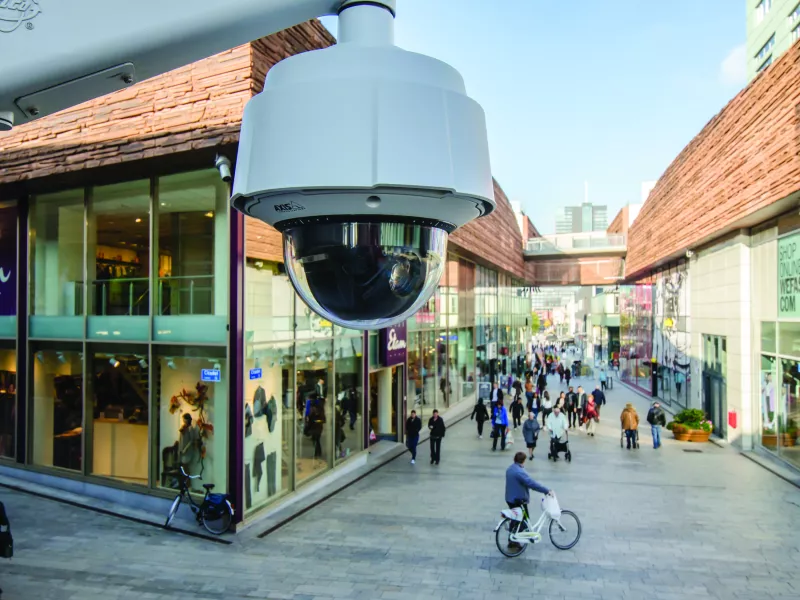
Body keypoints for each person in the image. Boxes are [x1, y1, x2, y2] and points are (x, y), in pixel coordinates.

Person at [505, 452, 553, 549]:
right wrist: (546, 490)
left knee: (516, 520)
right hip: (518, 500)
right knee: (523, 522)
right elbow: (531, 483)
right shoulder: (519, 472)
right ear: (523, 461)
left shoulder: (510, 468)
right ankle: (514, 540)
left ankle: (512, 540)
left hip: (510, 498)